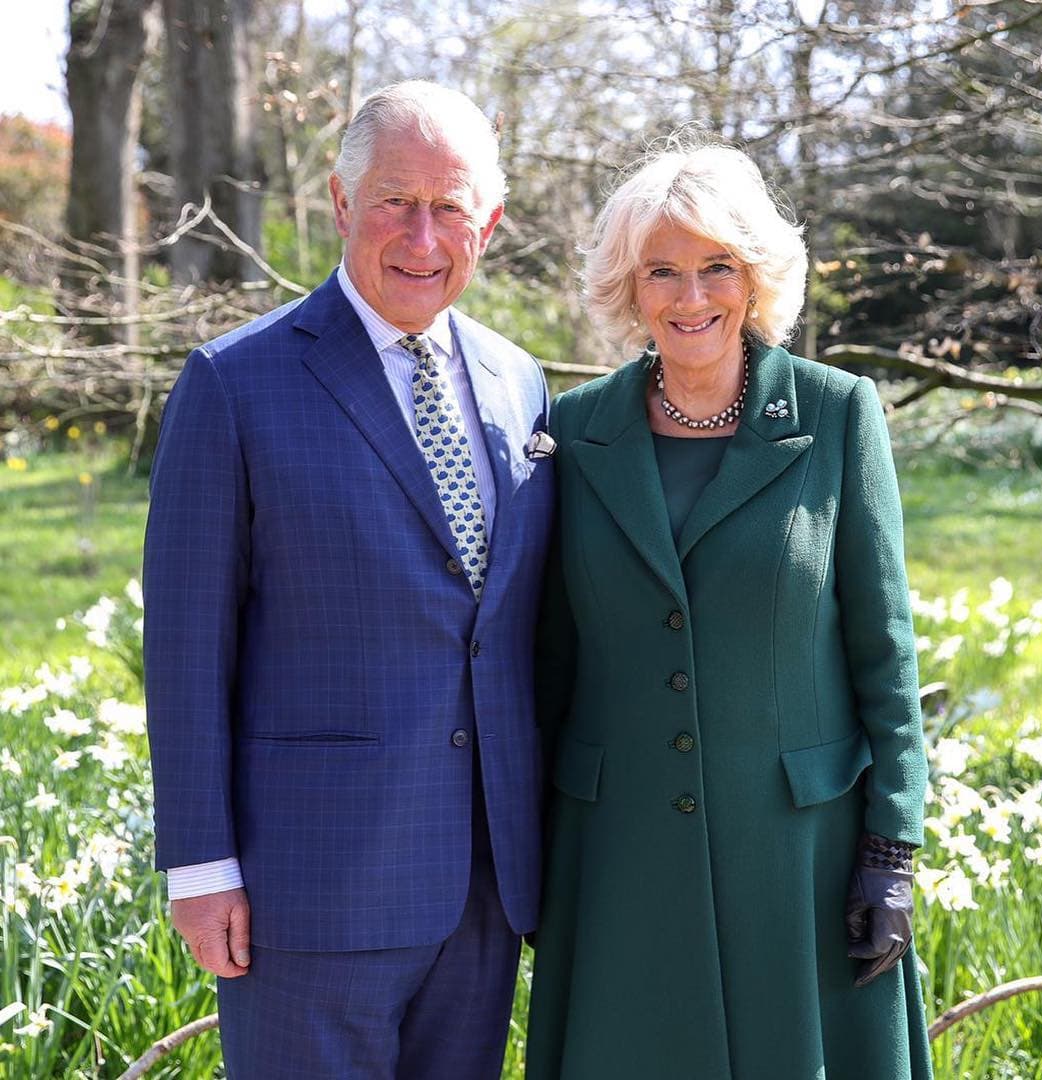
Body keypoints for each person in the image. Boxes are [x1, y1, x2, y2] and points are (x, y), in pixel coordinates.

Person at [143, 80, 554, 1080]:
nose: (423, 236)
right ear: (339, 202)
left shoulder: (521, 382)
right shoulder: (234, 383)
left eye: (450, 207)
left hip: (484, 889)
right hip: (309, 890)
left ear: (490, 223)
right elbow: (187, 648)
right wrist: (199, 867)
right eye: (395, 202)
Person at [526, 137, 933, 1080]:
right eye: (661, 270)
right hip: (618, 851)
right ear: (630, 287)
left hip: (801, 856)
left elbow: (885, 651)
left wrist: (892, 849)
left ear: (755, 278)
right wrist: (530, 852)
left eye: (717, 266)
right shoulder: (574, 432)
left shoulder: (836, 413)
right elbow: (548, 662)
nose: (691, 295)